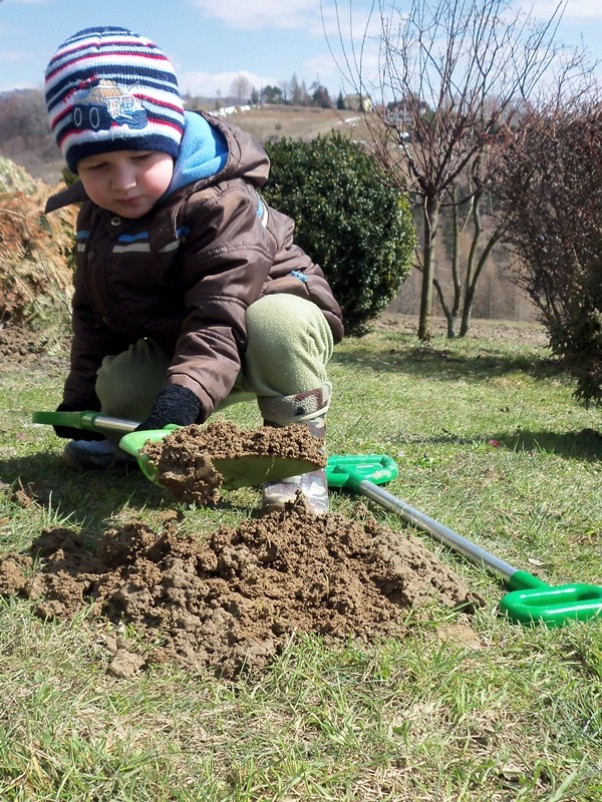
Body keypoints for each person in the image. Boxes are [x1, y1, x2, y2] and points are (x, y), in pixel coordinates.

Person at [43, 26, 344, 514]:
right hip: (192, 342)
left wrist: (182, 397)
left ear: (172, 139)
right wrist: (82, 404)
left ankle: (297, 463)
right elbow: (92, 314)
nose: (123, 182)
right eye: (98, 166)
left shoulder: (221, 202)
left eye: (141, 156)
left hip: (262, 318)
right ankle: (124, 440)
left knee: (276, 327)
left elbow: (219, 312)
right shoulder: (96, 220)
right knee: (116, 386)